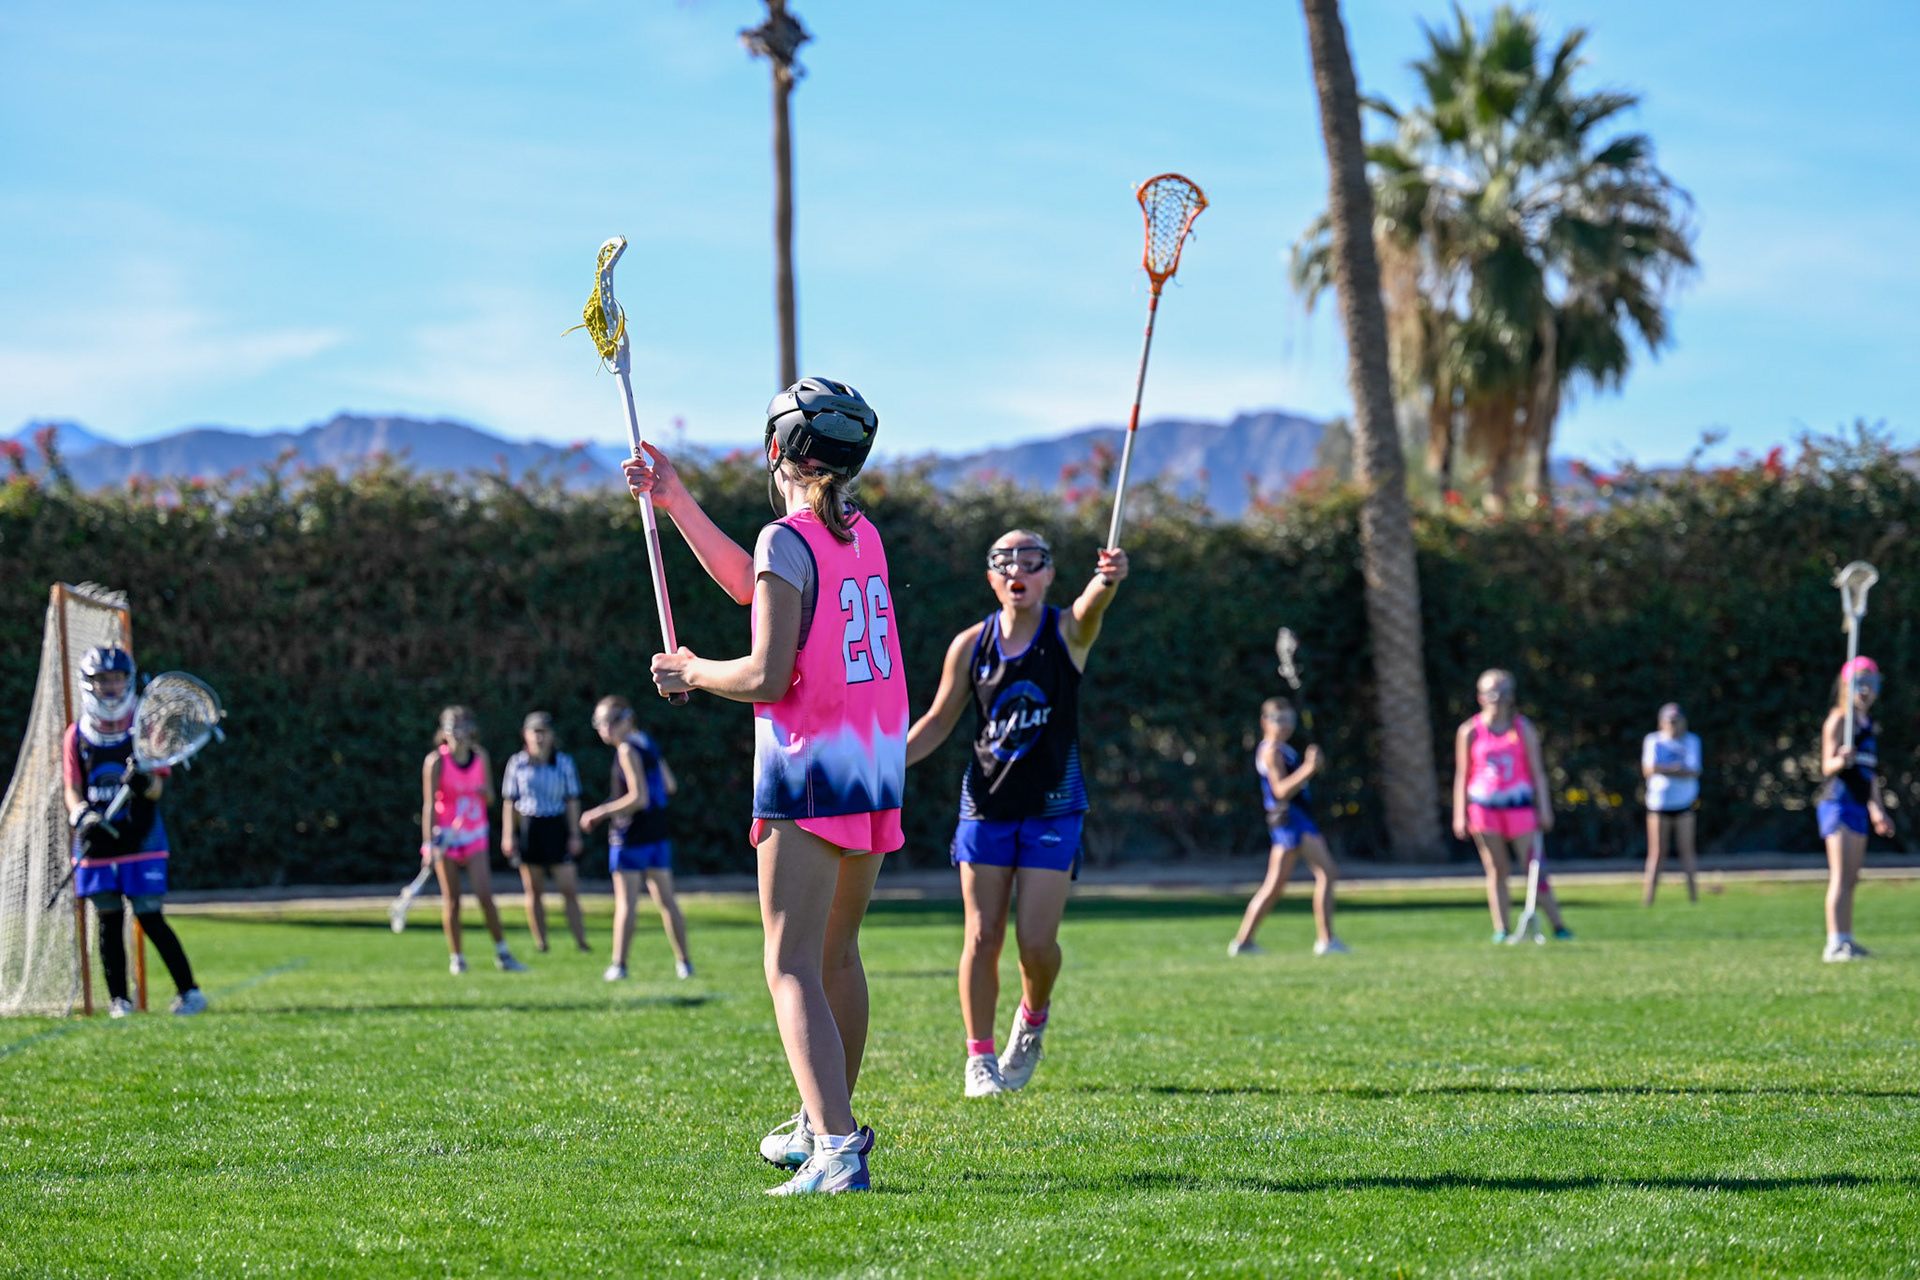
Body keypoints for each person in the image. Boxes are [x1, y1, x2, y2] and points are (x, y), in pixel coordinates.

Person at [624, 376, 903, 1195]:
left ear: (777, 447)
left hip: (810, 766)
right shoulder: (861, 534)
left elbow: (767, 673)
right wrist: (675, 500)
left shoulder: (788, 535)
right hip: (872, 763)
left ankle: (836, 1148)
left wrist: (692, 671)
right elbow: (758, 587)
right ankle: (823, 1122)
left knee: (790, 965)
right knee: (837, 954)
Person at [905, 527, 1127, 1098]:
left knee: (1035, 944)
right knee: (982, 937)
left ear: (1048, 575)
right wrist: (883, 764)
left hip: (1054, 808)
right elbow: (937, 722)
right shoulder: (970, 645)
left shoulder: (1066, 632)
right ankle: (979, 1058)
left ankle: (1031, 1019)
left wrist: (1106, 580)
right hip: (985, 809)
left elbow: (1091, 608)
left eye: (1031, 561)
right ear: (991, 578)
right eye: (1005, 562)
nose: (1017, 571)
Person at [62, 646, 206, 1017]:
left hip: (141, 837)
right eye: (103, 680)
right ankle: (119, 1001)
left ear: (127, 681)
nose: (110, 687)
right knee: (108, 919)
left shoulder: (145, 729)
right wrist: (82, 816)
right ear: (90, 684)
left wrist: (143, 782)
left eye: (116, 679)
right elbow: (72, 788)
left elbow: (156, 789)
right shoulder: (77, 735)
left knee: (149, 915)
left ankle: (190, 993)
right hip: (97, 839)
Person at [1452, 668, 1570, 942]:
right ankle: (1501, 929)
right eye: (1492, 692)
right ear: (1480, 697)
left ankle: (1558, 926)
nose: (1498, 698)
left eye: (1504, 691)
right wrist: (1459, 814)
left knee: (1535, 868)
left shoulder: (1523, 728)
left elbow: (1537, 772)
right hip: (1484, 809)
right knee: (1497, 869)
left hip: (1519, 807)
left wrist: (1544, 808)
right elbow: (1462, 775)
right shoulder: (1470, 731)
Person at [580, 696, 691, 981]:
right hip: (657, 834)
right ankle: (684, 964)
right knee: (667, 901)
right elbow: (670, 785)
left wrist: (599, 812)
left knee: (626, 903)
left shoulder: (626, 749)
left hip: (630, 836)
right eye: (598, 722)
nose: (602, 728)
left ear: (625, 720)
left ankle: (619, 965)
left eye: (606, 722)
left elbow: (638, 798)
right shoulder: (646, 742)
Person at [1228, 696, 1347, 957]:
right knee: (1326, 872)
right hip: (1291, 819)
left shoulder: (1283, 749)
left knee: (1275, 885)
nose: (1285, 725)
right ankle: (1326, 940)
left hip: (1296, 818)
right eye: (1279, 719)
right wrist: (1308, 768)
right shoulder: (1271, 751)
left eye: (1290, 719)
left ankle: (1244, 942)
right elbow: (1280, 791)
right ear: (1265, 722)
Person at [420, 706, 527, 975]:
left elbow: (490, 796)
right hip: (446, 837)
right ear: (444, 731)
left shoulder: (480, 757)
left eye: (463, 725)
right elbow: (429, 804)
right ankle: (457, 958)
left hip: (474, 834)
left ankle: (503, 953)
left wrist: (482, 793)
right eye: (452, 726)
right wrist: (428, 845)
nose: (459, 732)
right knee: (452, 900)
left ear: (471, 729)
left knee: (484, 895)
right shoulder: (436, 761)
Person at [1816, 656, 1893, 962]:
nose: (1866, 690)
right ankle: (1833, 944)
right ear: (1846, 686)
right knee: (1839, 875)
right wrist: (1841, 759)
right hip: (1838, 803)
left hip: (1859, 805)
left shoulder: (1868, 724)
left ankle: (1846, 939)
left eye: (1871, 683)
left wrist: (1878, 810)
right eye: (1859, 683)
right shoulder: (1838, 720)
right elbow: (1826, 766)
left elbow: (1868, 774)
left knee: (1851, 878)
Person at [500, 711, 588, 954]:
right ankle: (541, 943)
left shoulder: (564, 763)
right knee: (534, 890)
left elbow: (572, 799)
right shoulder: (517, 763)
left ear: (551, 735)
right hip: (529, 827)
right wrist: (508, 835)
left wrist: (574, 834)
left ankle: (581, 942)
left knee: (568, 889)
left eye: (544, 732)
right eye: (535, 732)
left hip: (555, 825)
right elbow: (510, 801)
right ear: (525, 735)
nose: (539, 737)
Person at [1641, 702, 1703, 906]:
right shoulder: (1653, 740)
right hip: (1658, 805)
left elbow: (1693, 770)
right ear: (1662, 722)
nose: (1673, 725)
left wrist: (1664, 769)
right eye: (1670, 721)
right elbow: (1649, 769)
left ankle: (1694, 899)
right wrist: (1675, 769)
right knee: (1657, 853)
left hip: (1684, 804)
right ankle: (1648, 900)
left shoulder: (1691, 740)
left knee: (1687, 852)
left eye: (1677, 721)